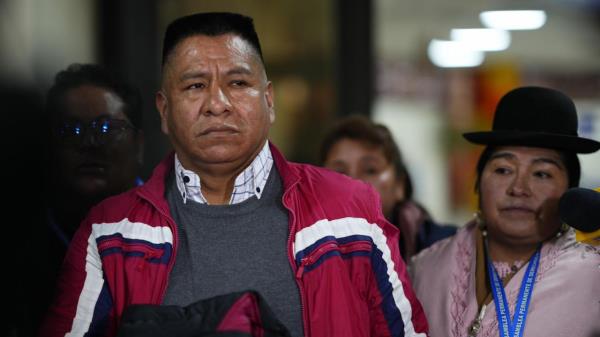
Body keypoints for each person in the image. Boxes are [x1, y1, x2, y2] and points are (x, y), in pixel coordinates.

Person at [41, 12, 428, 337]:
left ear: (269, 101)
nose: (217, 104)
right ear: (163, 110)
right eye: (195, 85)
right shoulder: (111, 231)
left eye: (238, 83)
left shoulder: (349, 213)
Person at [410, 86, 600, 337]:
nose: (519, 188)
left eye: (542, 173)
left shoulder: (592, 277)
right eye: (503, 170)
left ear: (570, 190)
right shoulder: (424, 270)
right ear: (478, 183)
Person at [31, 63, 144, 334]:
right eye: (71, 130)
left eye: (106, 129)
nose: (89, 143)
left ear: (139, 146)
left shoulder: (177, 227)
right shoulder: (22, 241)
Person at [321, 116, 456, 261]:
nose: (353, 182)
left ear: (400, 185)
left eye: (370, 170)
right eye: (339, 173)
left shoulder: (448, 249)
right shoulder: (299, 254)